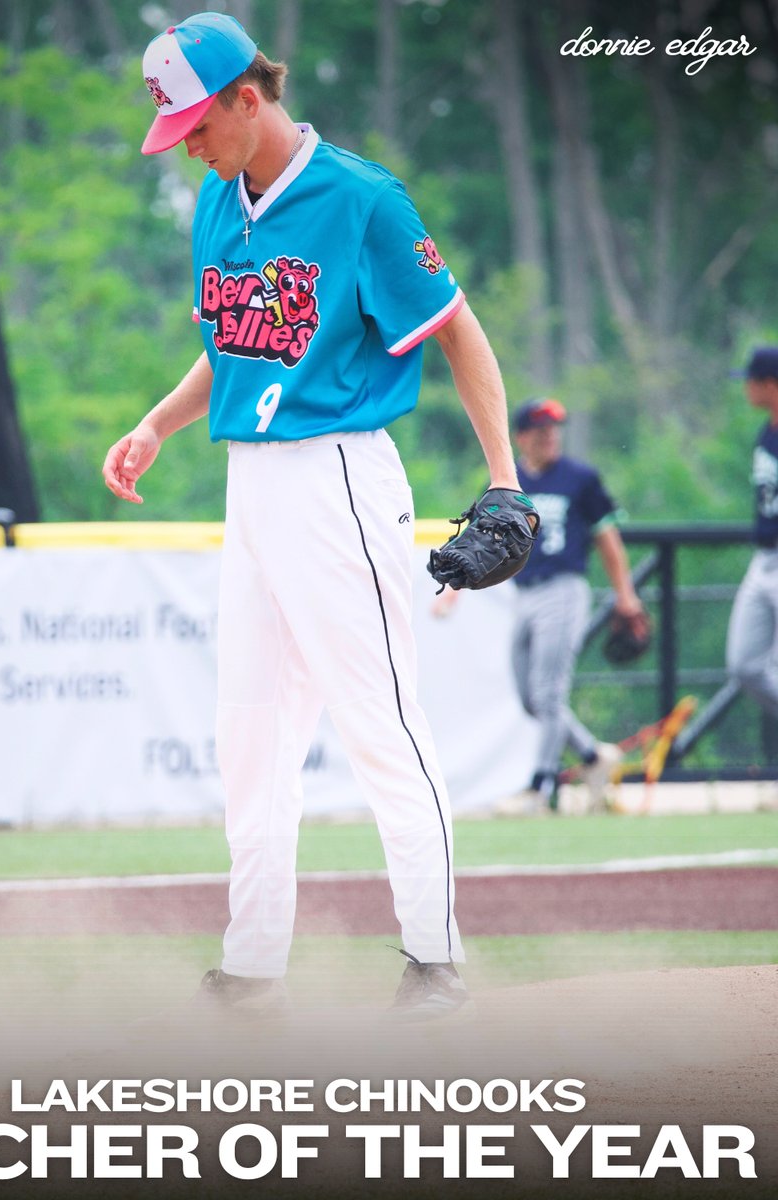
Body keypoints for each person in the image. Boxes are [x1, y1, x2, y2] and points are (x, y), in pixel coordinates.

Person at [103, 12, 527, 1020]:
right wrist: (158, 423)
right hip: (249, 484)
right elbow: (239, 340)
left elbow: (457, 331)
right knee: (248, 736)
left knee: (381, 724)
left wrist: (505, 480)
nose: (188, 147)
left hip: (338, 472)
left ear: (248, 97)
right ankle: (252, 968)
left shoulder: (362, 198)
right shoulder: (219, 199)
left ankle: (434, 963)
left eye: (197, 126)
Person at [450, 397, 647, 815]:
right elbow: (481, 541)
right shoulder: (510, 479)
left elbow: (607, 539)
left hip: (564, 588)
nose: (549, 436)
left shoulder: (580, 478)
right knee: (529, 696)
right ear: (520, 437)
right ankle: (594, 756)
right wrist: (455, 586)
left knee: (548, 693)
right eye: (540, 429)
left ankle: (540, 788)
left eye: (554, 428)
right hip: (524, 593)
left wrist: (625, 594)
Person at [726, 347, 778, 720]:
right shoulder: (766, 432)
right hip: (763, 557)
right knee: (745, 664)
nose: (746, 389)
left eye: (751, 382)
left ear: (769, 384)